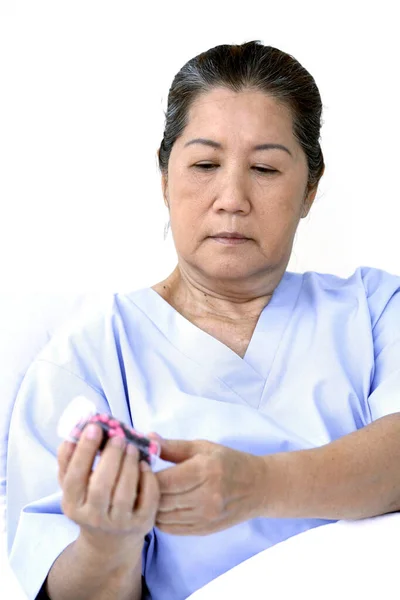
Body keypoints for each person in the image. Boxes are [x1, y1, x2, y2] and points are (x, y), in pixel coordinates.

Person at [6, 40, 400, 600]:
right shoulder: (85, 359)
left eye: (264, 167)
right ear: (165, 177)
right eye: (205, 164)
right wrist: (108, 542)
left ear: (310, 189)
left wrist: (258, 486)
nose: (232, 198)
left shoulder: (377, 308)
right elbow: (70, 589)